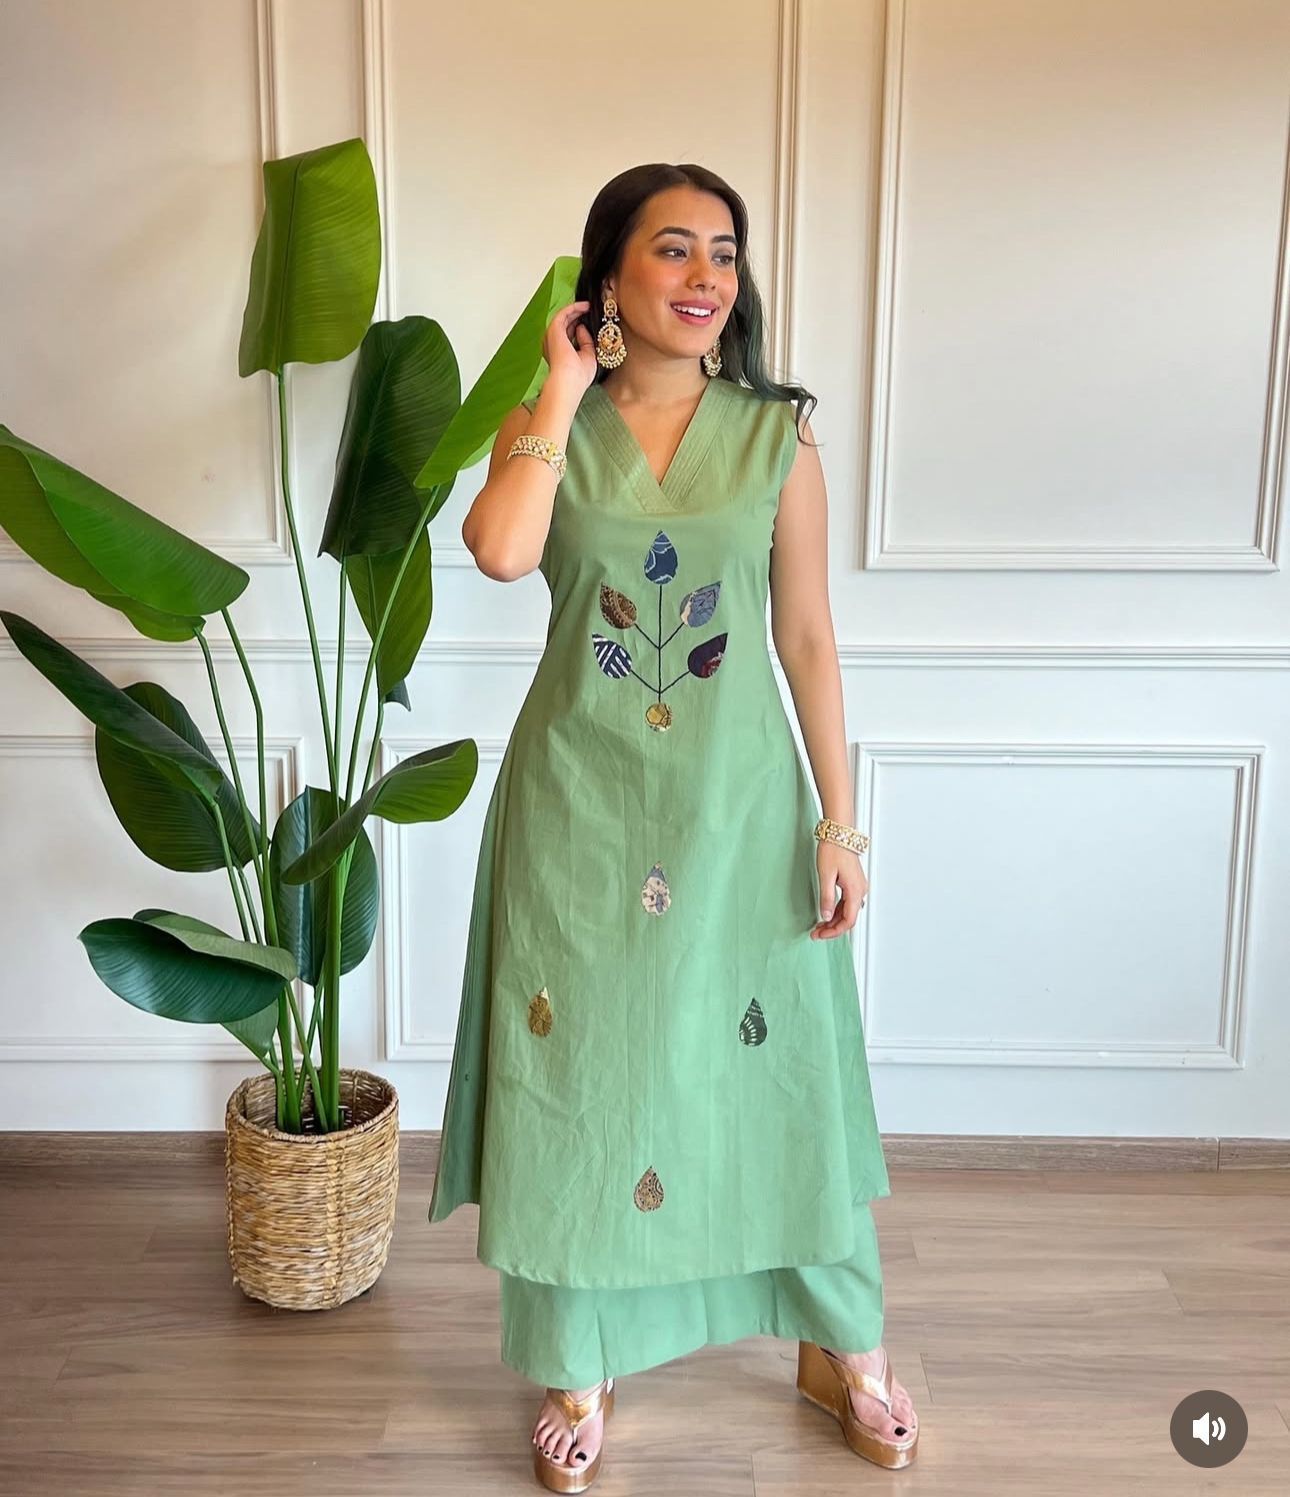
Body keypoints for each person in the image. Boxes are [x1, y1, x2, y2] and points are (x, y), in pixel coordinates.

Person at [428, 162, 918, 1490]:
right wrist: (560, 386)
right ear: (610, 274)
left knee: (776, 1070)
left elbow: (805, 634)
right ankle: (578, 1357)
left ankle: (844, 1344)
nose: (706, 277)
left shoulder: (777, 435)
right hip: (575, 809)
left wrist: (841, 824)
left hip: (737, 807)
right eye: (673, 249)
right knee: (579, 1076)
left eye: (723, 253)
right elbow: (501, 552)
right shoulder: (547, 421)